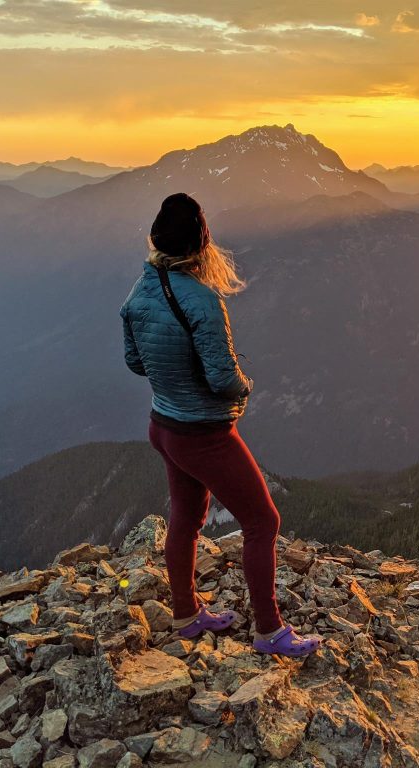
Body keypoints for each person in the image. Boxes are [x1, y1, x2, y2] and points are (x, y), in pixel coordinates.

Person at [119, 192, 320, 657]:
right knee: (262, 522)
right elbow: (221, 378)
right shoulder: (202, 299)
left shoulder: (137, 292)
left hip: (162, 424)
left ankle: (186, 615)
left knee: (186, 519)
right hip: (203, 433)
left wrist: (171, 372)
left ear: (156, 240)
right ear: (201, 243)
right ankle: (270, 632)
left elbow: (135, 363)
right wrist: (245, 386)